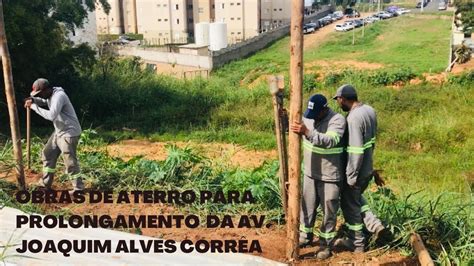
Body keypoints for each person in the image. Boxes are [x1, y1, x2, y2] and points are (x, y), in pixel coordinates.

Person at [332, 84, 390, 252]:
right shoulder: (369, 110)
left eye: (338, 100)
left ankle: (356, 242)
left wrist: (351, 176)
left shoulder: (353, 118)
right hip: (367, 167)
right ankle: (375, 225)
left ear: (343, 99)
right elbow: (370, 143)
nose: (338, 104)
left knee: (349, 205)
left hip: (357, 171)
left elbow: (356, 150)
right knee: (356, 200)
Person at [290, 94, 346, 259]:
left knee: (329, 211)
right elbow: (296, 128)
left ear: (324, 109)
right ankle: (304, 236)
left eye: (315, 115)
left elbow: (330, 140)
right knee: (307, 207)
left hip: (330, 176)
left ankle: (325, 245)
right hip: (310, 172)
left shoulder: (337, 121)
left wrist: (307, 132)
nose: (311, 119)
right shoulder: (308, 118)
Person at [24, 78, 84, 192]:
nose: (40, 95)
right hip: (59, 131)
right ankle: (45, 184)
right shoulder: (50, 95)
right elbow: (44, 101)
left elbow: (52, 115)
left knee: (70, 162)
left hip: (69, 133)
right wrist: (33, 99)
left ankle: (78, 188)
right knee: (48, 154)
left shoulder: (59, 96)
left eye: (40, 93)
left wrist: (33, 106)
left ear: (46, 90)